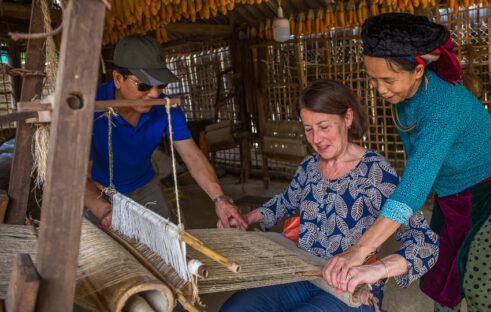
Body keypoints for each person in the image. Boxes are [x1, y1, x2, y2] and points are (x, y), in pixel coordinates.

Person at [325, 13, 491, 312]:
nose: (380, 89)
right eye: (373, 79)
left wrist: (359, 250)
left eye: (388, 80)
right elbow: (419, 171)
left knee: (481, 282)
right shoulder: (404, 97)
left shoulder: (442, 107)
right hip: (453, 191)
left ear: (418, 70)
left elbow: (414, 187)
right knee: (442, 275)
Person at [220, 79, 439, 312]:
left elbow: (426, 243)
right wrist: (248, 218)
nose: (316, 139)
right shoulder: (309, 166)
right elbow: (285, 201)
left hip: (349, 285)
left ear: (347, 118)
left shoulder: (375, 173)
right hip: (302, 270)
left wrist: (377, 271)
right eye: (308, 129)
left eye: (324, 127)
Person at [84, 34, 247, 230]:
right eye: (143, 85)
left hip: (144, 185)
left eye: (160, 85)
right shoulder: (90, 108)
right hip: (99, 190)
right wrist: (103, 210)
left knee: (170, 240)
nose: (154, 94)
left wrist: (220, 199)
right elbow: (76, 174)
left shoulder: (166, 108)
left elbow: (192, 156)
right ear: (118, 79)